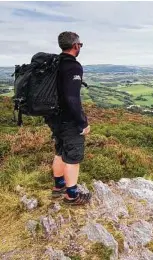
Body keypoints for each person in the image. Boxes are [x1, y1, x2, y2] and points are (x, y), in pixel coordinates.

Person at [45, 31, 91, 205]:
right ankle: (72, 195)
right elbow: (72, 98)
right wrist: (82, 123)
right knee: (73, 157)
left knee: (60, 151)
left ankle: (59, 186)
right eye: (80, 45)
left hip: (54, 118)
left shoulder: (54, 64)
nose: (80, 47)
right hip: (68, 120)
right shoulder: (73, 66)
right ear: (75, 45)